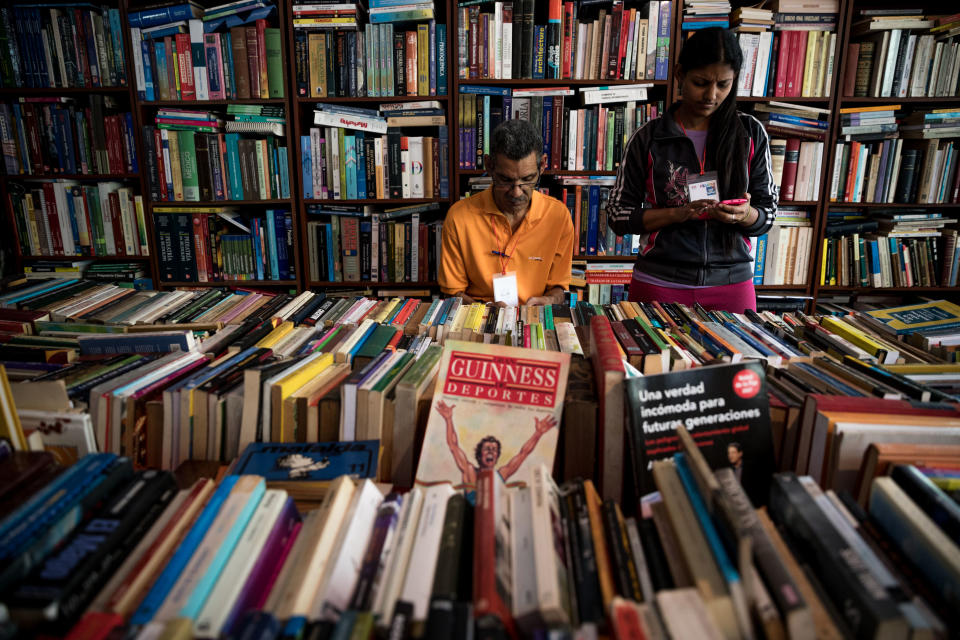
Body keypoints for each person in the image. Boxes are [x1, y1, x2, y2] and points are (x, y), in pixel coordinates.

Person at [606, 27, 777, 313]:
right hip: (658, 281)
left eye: (723, 84)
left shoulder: (749, 133)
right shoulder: (648, 138)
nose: (711, 95)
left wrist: (745, 214)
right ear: (679, 74)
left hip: (731, 285)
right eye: (700, 82)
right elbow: (617, 215)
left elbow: (768, 213)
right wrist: (677, 214)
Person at [439, 119, 575, 306]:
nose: (516, 192)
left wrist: (549, 300)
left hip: (533, 316)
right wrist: (486, 311)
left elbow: (560, 288)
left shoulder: (558, 216)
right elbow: (452, 295)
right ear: (489, 165)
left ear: (542, 166)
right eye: (505, 180)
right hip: (476, 318)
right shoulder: (459, 217)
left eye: (527, 179)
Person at [436, 399, 556, 488]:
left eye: (494, 450)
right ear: (479, 454)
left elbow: (523, 454)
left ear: (497, 456)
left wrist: (538, 433)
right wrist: (448, 419)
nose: (491, 451)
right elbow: (453, 446)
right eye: (487, 448)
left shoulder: (502, 474)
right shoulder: (469, 470)